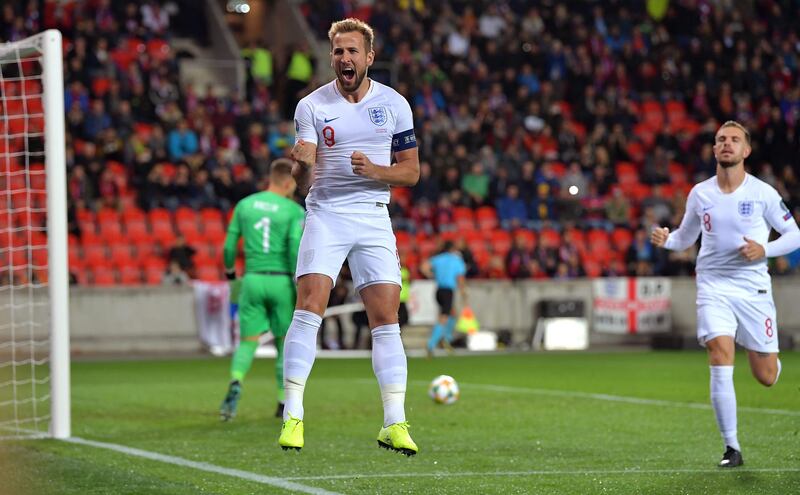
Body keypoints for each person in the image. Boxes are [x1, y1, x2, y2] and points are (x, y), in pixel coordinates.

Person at [278, 18, 420, 455]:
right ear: (332, 57)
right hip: (326, 213)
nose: (345, 58)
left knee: (386, 321)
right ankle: (293, 415)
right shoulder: (312, 106)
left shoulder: (395, 104)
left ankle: (394, 423)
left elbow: (411, 171)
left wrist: (376, 171)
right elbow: (304, 167)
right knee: (309, 309)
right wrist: (301, 163)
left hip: (374, 216)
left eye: (352, 51)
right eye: (338, 52)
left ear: (369, 57)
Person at [651, 121, 800, 468]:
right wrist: (667, 240)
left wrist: (764, 248)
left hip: (753, 288)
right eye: (721, 140)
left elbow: (794, 235)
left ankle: (765, 355)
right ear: (714, 149)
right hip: (713, 285)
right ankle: (732, 448)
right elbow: (686, 237)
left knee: (765, 377)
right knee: (720, 355)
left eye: (734, 140)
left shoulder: (763, 192)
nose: (726, 144)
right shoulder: (700, 193)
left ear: (746, 150)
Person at [219, 158, 305, 421]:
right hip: (280, 280)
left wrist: (232, 275)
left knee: (247, 342)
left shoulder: (245, 205)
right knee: (283, 344)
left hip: (253, 278)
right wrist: (295, 278)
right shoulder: (293, 211)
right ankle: (282, 400)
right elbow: (293, 246)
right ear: (289, 182)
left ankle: (236, 381)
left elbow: (229, 246)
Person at [421, 241, 467, 357]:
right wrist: (463, 292)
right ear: (452, 249)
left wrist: (431, 275)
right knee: (444, 317)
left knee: (452, 314)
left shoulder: (438, 258)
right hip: (448, 291)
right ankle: (431, 344)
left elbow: (424, 267)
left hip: (439, 290)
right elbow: (460, 278)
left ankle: (445, 340)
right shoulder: (456, 260)